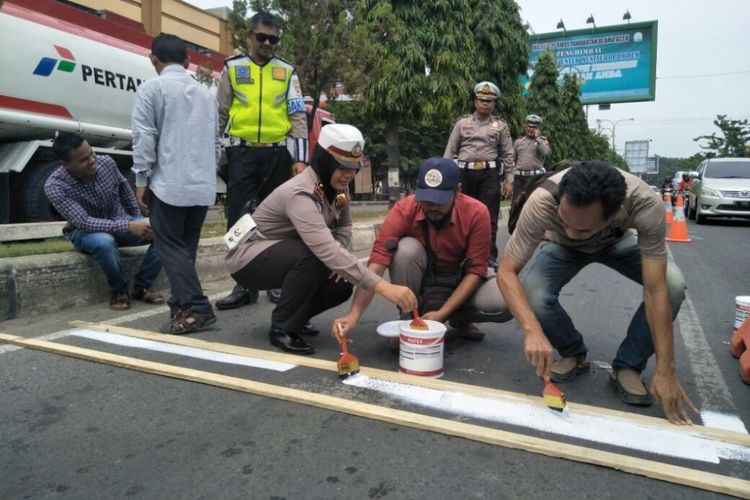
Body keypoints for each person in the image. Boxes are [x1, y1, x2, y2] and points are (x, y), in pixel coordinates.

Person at [497, 161, 697, 425]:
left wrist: (666, 369)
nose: (572, 231)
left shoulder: (645, 205)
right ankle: (573, 352)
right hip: (559, 247)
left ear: (614, 214)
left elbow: (655, 288)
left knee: (672, 284)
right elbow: (507, 271)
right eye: (564, 220)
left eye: (582, 229)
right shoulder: (543, 201)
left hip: (617, 243)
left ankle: (628, 365)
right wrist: (531, 330)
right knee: (534, 293)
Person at [225, 124, 416, 355]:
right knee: (314, 257)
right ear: (325, 161)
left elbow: (344, 226)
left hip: (286, 252)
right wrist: (385, 287)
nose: (349, 174)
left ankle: (298, 317)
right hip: (248, 258)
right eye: (342, 166)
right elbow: (326, 249)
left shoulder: (337, 189)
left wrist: (340, 255)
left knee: (341, 281)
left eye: (353, 167)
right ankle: (282, 328)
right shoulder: (301, 193)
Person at [335, 157, 512, 345]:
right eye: (426, 200)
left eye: (440, 201)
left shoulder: (477, 213)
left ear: (457, 191)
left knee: (505, 300)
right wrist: (354, 315)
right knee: (404, 250)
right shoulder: (405, 209)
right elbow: (377, 264)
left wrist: (443, 314)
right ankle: (409, 320)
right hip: (425, 277)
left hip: (461, 276)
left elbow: (476, 271)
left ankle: (459, 318)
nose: (432, 207)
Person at [215, 11, 309, 310]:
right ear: (249, 36)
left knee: (278, 220)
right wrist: (216, 152)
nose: (268, 43)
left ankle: (276, 280)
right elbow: (219, 113)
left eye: (273, 39)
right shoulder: (232, 68)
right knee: (238, 220)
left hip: (277, 154)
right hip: (241, 154)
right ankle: (244, 283)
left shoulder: (287, 72)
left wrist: (301, 160)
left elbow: (297, 116)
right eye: (262, 37)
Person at [132, 33, 219, 334]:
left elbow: (144, 137)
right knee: (185, 251)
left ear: (153, 57)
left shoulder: (151, 89)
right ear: (187, 61)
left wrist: (141, 177)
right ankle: (181, 307)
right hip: (201, 185)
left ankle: (196, 307)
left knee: (169, 248)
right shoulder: (207, 95)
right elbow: (216, 144)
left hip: (169, 184)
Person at [44, 132, 164, 311]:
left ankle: (142, 286)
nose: (92, 160)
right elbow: (83, 221)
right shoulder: (55, 186)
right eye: (84, 159)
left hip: (120, 221)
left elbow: (123, 186)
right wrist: (129, 225)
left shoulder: (106, 162)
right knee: (104, 242)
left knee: (164, 231)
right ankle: (119, 290)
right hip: (85, 233)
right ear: (65, 164)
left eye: (91, 153)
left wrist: (135, 217)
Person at [444, 81, 514, 269]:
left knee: (488, 217)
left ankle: (488, 257)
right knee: (460, 215)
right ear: (475, 101)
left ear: (494, 103)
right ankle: (461, 254)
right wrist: (447, 177)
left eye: (489, 101)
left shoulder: (500, 126)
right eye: (481, 100)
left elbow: (508, 153)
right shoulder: (461, 124)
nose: (485, 104)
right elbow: (450, 152)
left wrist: (509, 179)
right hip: (463, 174)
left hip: (489, 175)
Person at [513, 114, 551, 195]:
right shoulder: (518, 142)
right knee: (517, 203)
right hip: (520, 178)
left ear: (538, 129)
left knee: (534, 204)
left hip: (536, 178)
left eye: (534, 127)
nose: (531, 129)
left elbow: (546, 152)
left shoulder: (543, 141)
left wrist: (538, 139)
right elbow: (514, 160)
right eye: (529, 127)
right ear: (525, 127)